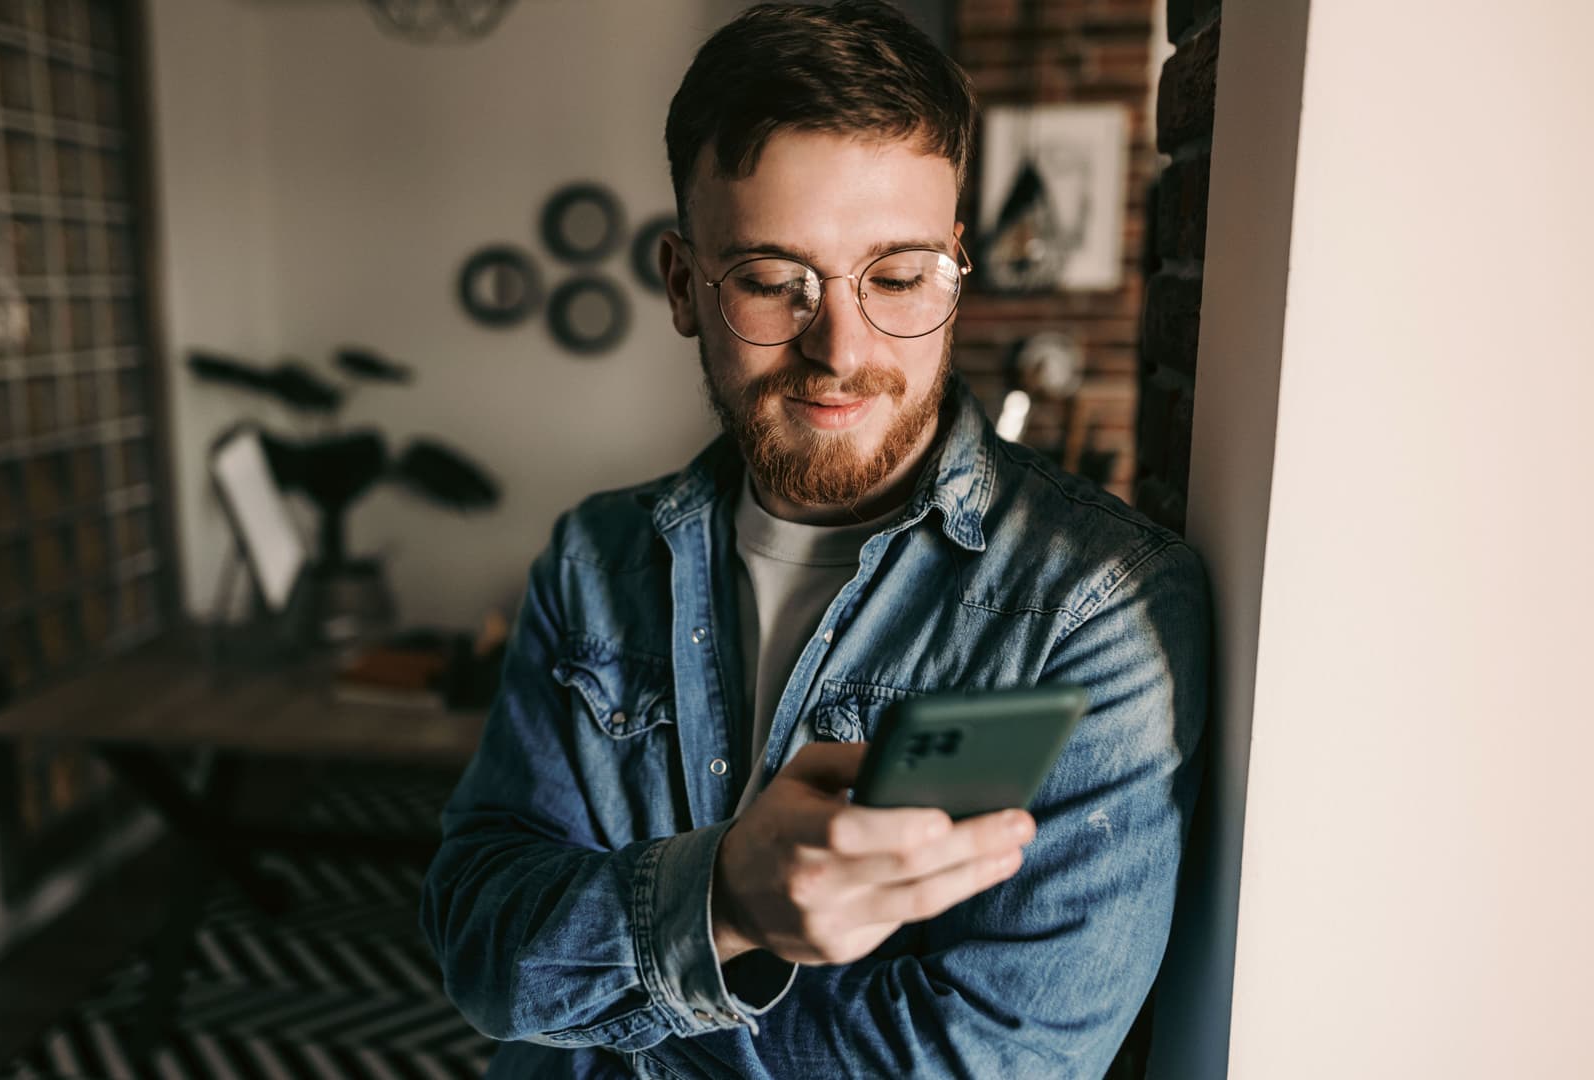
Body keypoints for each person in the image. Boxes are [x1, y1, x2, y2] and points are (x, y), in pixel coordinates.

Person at [419, 2, 1211, 1075]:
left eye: (895, 277)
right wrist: (725, 896)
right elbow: (482, 949)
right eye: (769, 281)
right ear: (681, 285)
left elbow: (998, 1061)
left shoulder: (1096, 607)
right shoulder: (594, 559)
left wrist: (641, 979)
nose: (842, 349)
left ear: (954, 269)